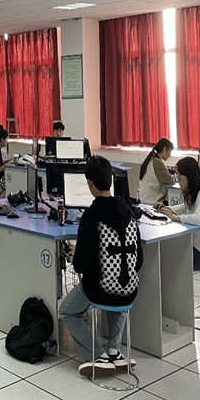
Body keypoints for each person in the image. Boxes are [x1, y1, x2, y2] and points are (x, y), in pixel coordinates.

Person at [59, 155, 143, 376]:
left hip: (99, 289)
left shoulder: (91, 216)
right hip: (129, 291)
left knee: (66, 312)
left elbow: (80, 266)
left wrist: (76, 252)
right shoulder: (129, 212)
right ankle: (114, 350)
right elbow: (138, 260)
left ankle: (97, 356)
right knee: (120, 293)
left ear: (90, 183)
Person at [155, 157, 200, 272]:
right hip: (196, 246)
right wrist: (165, 209)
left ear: (190, 176)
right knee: (168, 255)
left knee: (172, 263)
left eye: (180, 175)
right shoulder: (193, 193)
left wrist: (175, 218)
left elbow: (199, 218)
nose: (177, 178)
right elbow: (184, 207)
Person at [138, 138, 175, 205]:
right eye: (170, 152)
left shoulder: (151, 159)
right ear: (164, 149)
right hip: (152, 202)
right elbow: (170, 181)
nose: (170, 155)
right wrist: (174, 178)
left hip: (145, 199)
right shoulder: (157, 162)